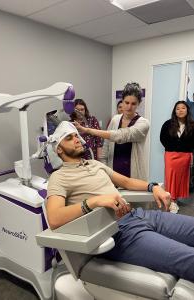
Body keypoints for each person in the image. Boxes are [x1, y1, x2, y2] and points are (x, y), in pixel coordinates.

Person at [46, 121, 194, 283]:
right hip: (117, 232)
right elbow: (54, 218)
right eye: (69, 138)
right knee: (188, 258)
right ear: (59, 149)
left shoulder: (95, 164)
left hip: (139, 215)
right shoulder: (58, 177)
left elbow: (126, 182)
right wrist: (95, 201)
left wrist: (153, 187)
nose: (77, 139)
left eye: (76, 135)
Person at [74, 83, 149, 179]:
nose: (129, 107)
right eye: (126, 102)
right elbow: (106, 148)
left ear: (139, 103)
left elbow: (121, 135)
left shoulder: (143, 123)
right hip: (113, 174)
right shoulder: (115, 120)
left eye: (133, 104)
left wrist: (87, 130)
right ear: (122, 101)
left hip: (133, 176)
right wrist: (105, 170)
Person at [160, 100, 194, 214]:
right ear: (175, 111)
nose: (180, 110)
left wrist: (189, 151)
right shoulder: (168, 124)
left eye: (183, 108)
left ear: (187, 110)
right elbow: (162, 138)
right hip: (171, 155)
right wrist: (173, 147)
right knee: (170, 178)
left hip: (185, 156)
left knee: (180, 179)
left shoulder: (192, 125)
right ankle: (171, 201)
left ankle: (175, 199)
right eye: (178, 108)